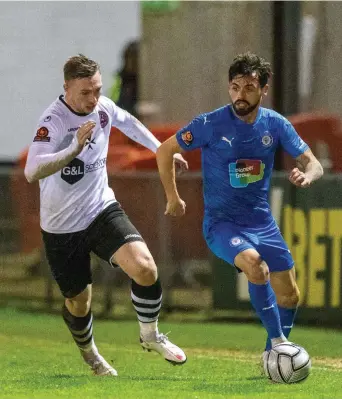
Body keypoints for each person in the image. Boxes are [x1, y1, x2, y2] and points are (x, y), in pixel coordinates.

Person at [24, 54, 188, 376]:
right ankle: (92, 356)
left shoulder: (102, 109)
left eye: (97, 90)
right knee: (79, 304)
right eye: (85, 92)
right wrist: (72, 149)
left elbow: (131, 125)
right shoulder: (52, 121)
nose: (93, 99)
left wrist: (161, 150)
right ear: (67, 88)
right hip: (61, 227)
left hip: (100, 209)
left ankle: (150, 335)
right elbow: (32, 170)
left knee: (145, 268)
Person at [155, 52, 323, 366]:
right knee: (255, 265)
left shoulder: (275, 124)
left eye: (248, 87)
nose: (239, 94)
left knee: (290, 295)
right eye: (234, 86)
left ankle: (270, 358)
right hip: (222, 224)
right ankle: (279, 343)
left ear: (263, 89)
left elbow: (312, 163)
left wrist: (309, 175)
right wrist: (172, 198)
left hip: (262, 223)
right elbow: (165, 150)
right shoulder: (210, 123)